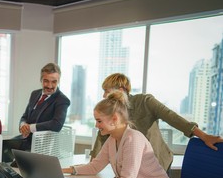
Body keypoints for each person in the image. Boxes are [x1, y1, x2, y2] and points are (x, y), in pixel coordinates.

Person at [90, 73, 223, 171]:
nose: (103, 96)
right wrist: (92, 166)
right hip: (132, 165)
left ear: (120, 90)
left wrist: (203, 136)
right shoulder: (112, 112)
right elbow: (102, 136)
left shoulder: (144, 101)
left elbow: (172, 117)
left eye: (106, 91)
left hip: (157, 161)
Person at [4, 63, 70, 163]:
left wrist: (30, 128)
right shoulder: (35, 94)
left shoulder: (62, 100)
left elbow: (57, 124)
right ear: (41, 80)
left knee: (16, 163)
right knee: (2, 149)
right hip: (26, 140)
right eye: (46, 81)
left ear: (59, 81)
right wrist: (23, 125)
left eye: (54, 82)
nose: (49, 85)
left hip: (43, 147)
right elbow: (25, 116)